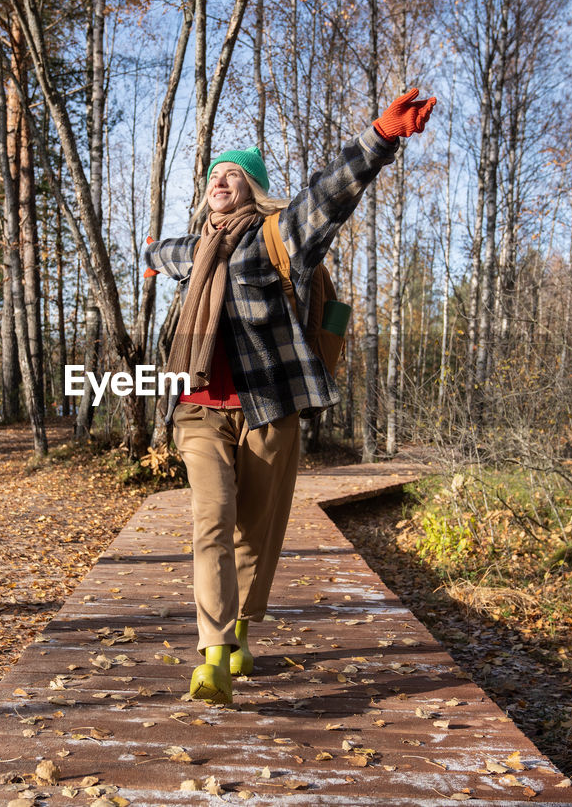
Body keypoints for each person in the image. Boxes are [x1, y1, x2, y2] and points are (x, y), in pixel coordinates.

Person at [144, 88, 436, 704]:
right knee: (212, 520)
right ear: (206, 194)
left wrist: (379, 139)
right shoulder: (193, 251)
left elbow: (330, 194)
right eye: (215, 176)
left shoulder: (277, 239)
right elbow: (165, 252)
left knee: (259, 530)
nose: (223, 181)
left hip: (269, 408)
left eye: (236, 175)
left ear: (253, 189)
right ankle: (214, 655)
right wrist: (149, 257)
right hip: (198, 410)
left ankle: (243, 630)